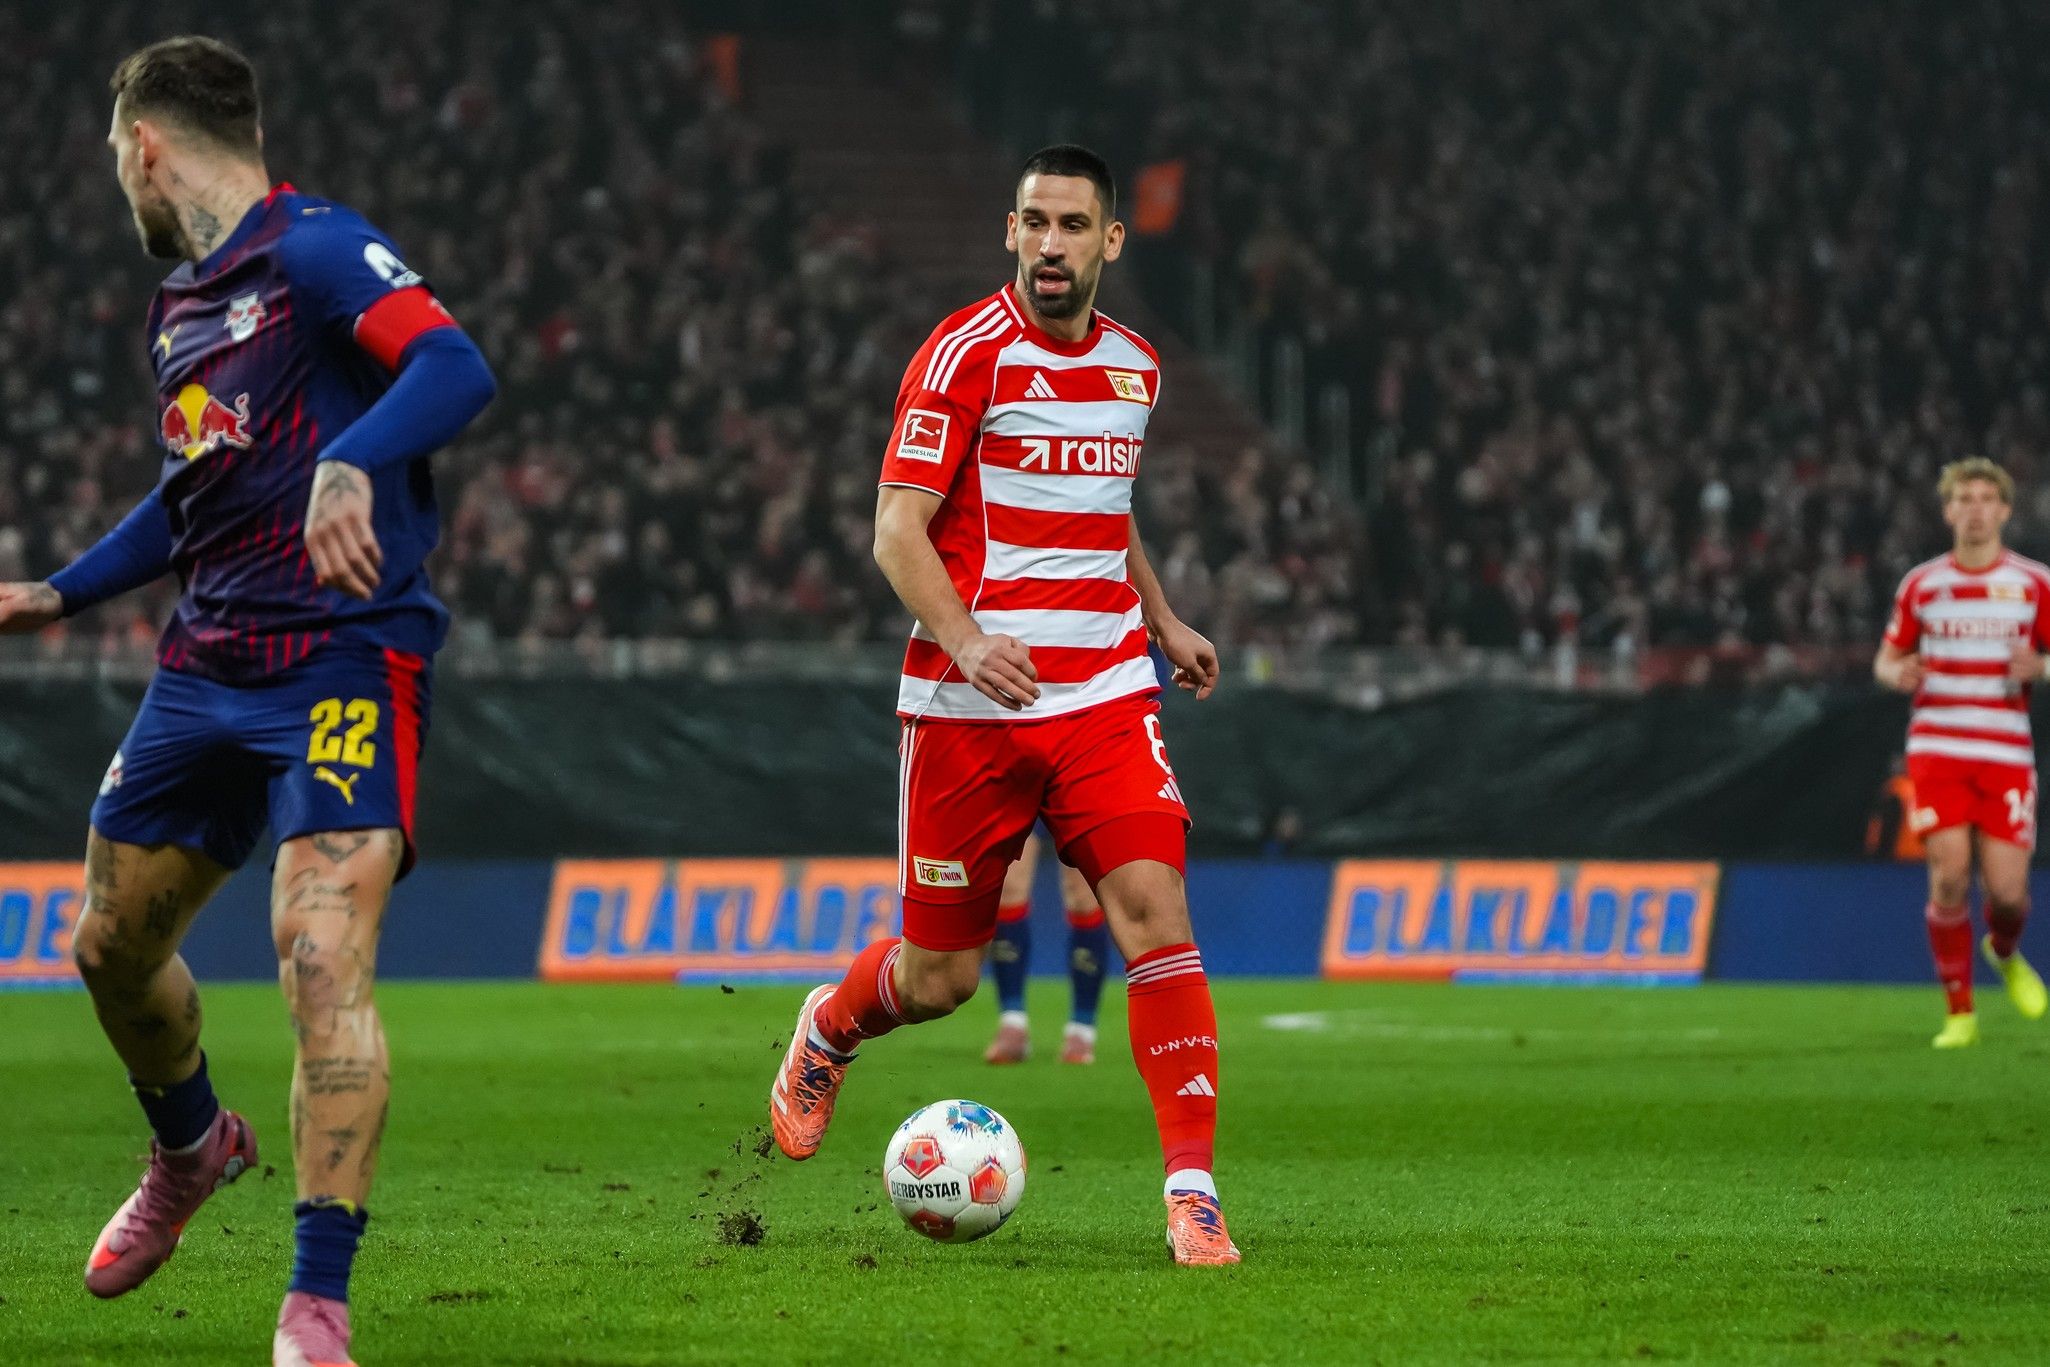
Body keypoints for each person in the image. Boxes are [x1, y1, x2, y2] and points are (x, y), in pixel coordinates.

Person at [0, 37, 494, 1365]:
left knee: (320, 947)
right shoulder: (178, 308)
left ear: (145, 143)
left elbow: (455, 370)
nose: (119, 181)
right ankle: (193, 1143)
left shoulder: (319, 252)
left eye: (117, 158)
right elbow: (192, 494)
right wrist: (62, 588)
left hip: (347, 658)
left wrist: (351, 453)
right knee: (105, 943)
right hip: (205, 667)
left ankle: (313, 1305)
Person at [768, 143, 1237, 1265]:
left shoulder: (1135, 367)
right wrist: (968, 638)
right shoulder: (960, 356)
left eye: (1074, 226)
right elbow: (896, 529)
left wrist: (1162, 619)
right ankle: (828, 1026)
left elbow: (1104, 504)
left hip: (1104, 695)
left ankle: (1192, 1192)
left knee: (1152, 912)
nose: (1051, 245)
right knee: (941, 978)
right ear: (1010, 232)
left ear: (1111, 240)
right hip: (966, 708)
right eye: (1034, 223)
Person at [1874, 457, 2050, 1048]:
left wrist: (2043, 666)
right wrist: (1894, 674)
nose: (1975, 509)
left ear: (2003, 510)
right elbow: (1885, 659)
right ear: (1948, 511)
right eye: (1964, 499)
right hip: (1938, 747)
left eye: (1986, 499)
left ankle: (2004, 952)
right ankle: (1960, 1014)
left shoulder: (2033, 582)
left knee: (2007, 894)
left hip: (2004, 752)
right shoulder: (1923, 585)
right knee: (1948, 876)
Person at [983, 830, 1112, 1065]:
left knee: (1084, 897)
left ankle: (1081, 1029)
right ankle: (1012, 1023)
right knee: (1008, 887)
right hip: (1021, 792)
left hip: (1076, 793)